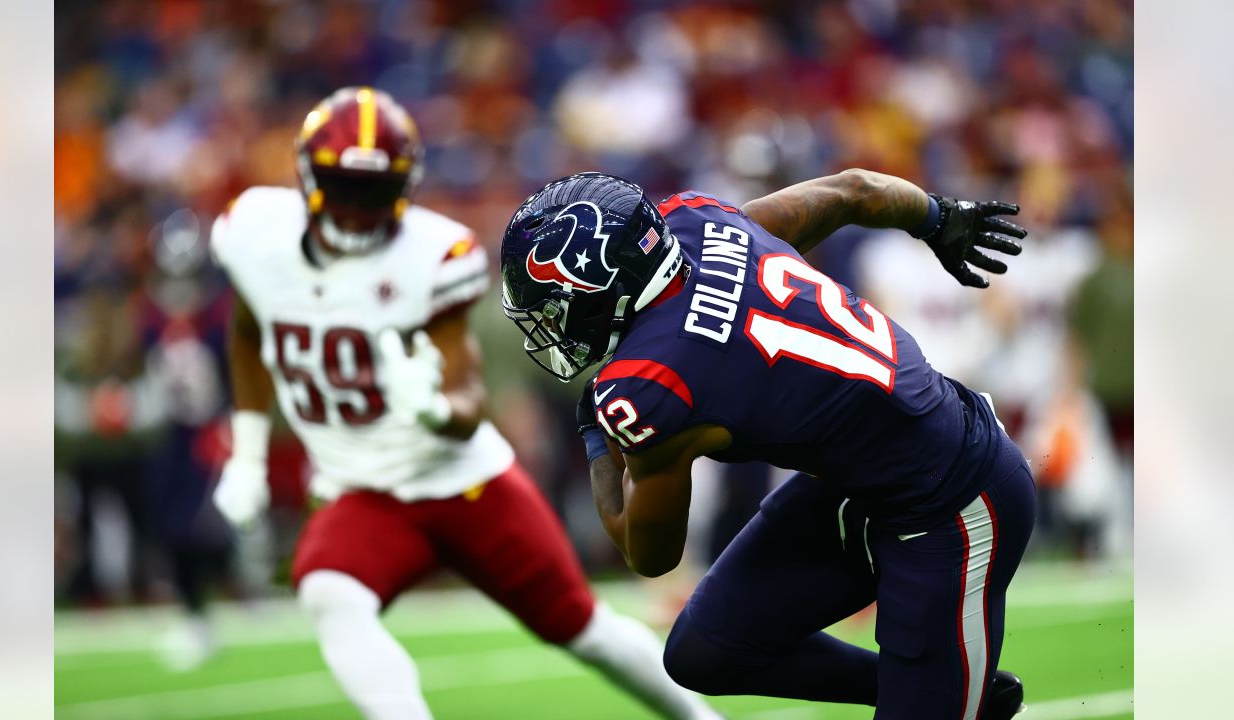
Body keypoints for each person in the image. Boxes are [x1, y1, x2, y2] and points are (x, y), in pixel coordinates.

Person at [209, 88, 720, 720]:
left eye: (376, 191)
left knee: (581, 628)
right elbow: (249, 326)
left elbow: (468, 400)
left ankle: (701, 718)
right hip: (362, 491)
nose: (362, 210)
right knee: (329, 592)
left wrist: (432, 407)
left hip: (464, 483)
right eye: (346, 187)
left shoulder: (433, 254)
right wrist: (249, 453)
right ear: (308, 178)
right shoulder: (255, 233)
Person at [499, 171, 1037, 719]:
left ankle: (933, 692)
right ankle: (929, 689)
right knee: (705, 651)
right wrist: (937, 217)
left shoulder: (650, 384)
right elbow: (854, 191)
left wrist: (595, 438)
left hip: (955, 502)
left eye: (551, 304)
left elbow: (650, 554)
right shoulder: (697, 220)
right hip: (866, 482)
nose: (547, 322)